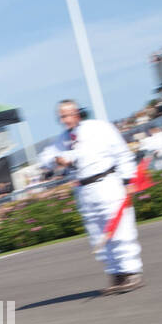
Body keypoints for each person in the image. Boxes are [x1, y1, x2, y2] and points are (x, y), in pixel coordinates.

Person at [40, 99, 143, 294]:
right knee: (98, 233)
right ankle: (116, 274)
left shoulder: (99, 128)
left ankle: (131, 271)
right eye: (62, 116)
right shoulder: (62, 140)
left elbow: (122, 153)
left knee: (119, 229)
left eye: (69, 114)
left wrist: (128, 181)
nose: (66, 119)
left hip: (107, 181)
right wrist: (56, 160)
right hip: (84, 189)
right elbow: (45, 158)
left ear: (78, 113)